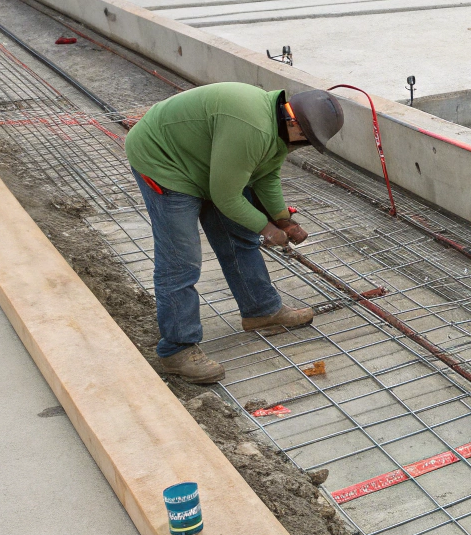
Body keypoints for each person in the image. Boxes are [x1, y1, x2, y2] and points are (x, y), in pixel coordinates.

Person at [124, 82, 345, 383]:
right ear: (295, 122)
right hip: (165, 161)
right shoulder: (253, 129)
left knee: (237, 236)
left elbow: (267, 177)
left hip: (207, 162)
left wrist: (284, 221)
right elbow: (226, 197)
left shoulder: (279, 127)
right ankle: (177, 349)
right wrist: (267, 229)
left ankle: (261, 311)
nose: (305, 145)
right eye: (307, 139)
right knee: (181, 260)